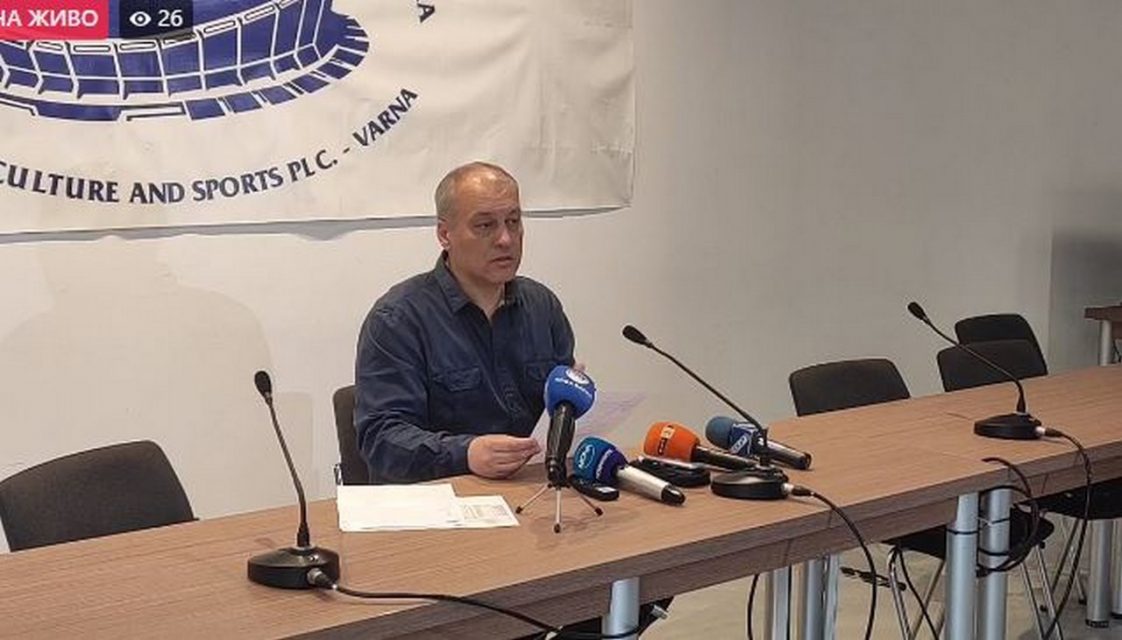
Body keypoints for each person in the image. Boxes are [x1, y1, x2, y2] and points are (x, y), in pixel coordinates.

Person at [354, 161, 575, 484]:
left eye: (513, 222)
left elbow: (557, 416)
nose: (505, 239)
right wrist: (466, 453)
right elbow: (381, 439)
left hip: (531, 487)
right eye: (485, 226)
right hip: (442, 496)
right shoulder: (398, 319)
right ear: (445, 234)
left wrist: (572, 399)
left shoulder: (542, 306)